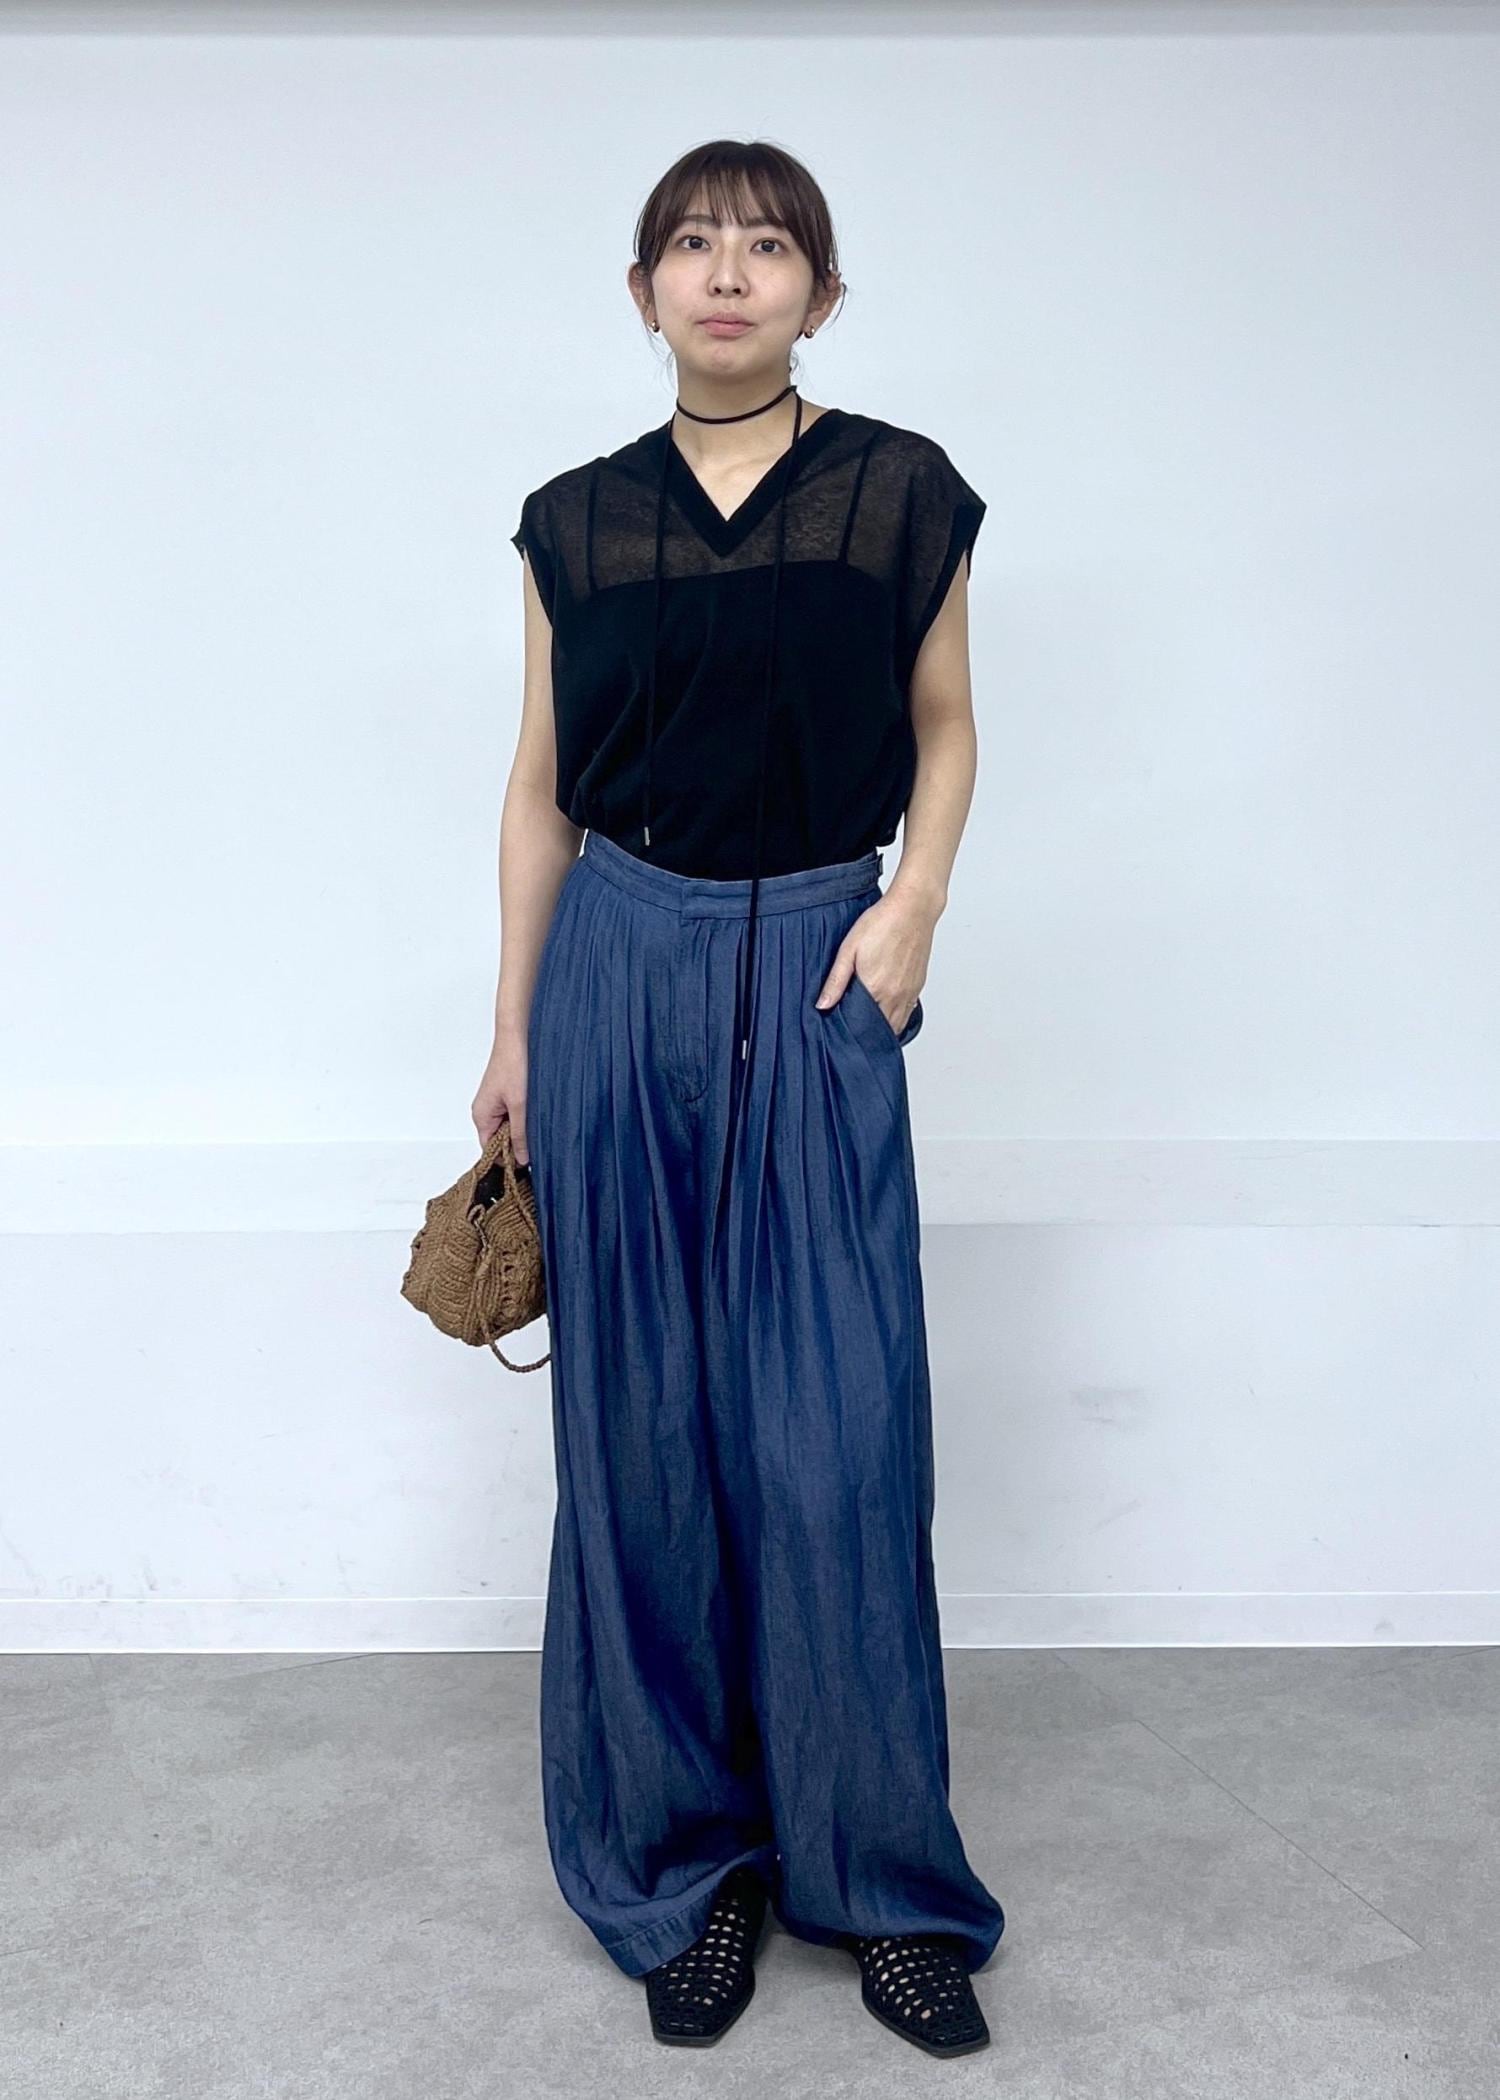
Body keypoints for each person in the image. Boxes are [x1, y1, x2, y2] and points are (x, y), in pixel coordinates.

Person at [474, 138, 1006, 2059]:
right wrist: (515, 1030)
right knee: (641, 1444)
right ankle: (686, 1873)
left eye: (765, 246)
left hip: (818, 962)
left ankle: (883, 1883)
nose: (727, 272)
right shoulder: (572, 522)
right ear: (642, 292)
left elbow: (946, 726)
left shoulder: (896, 492)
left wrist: (914, 906)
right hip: (617, 967)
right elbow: (540, 788)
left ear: (819, 294)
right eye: (691, 245)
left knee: (837, 1444)